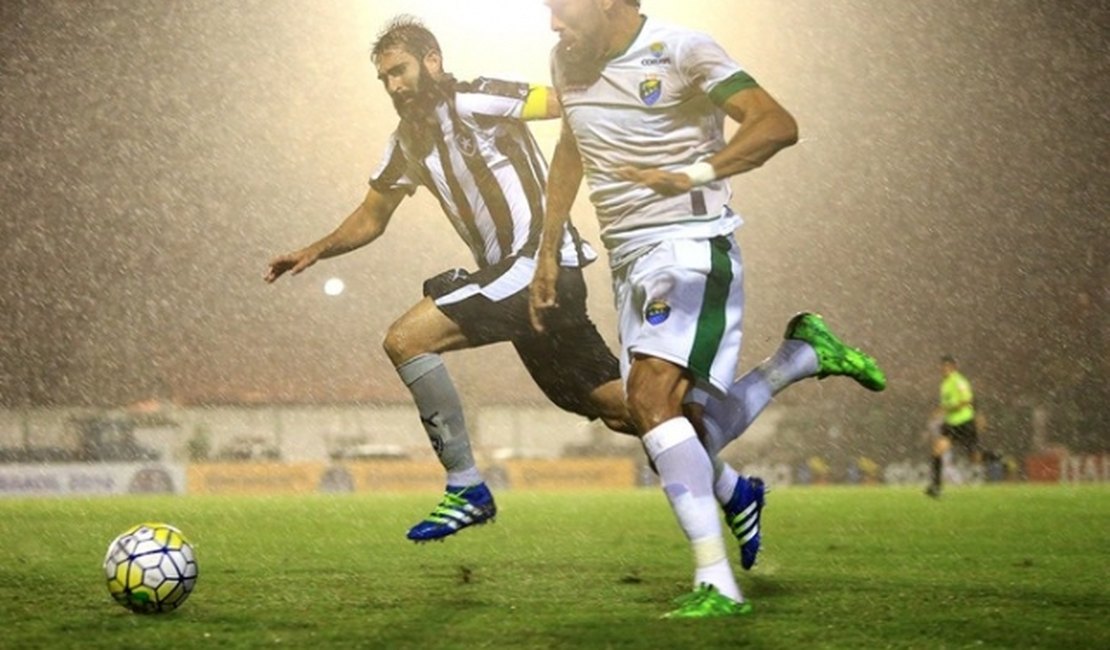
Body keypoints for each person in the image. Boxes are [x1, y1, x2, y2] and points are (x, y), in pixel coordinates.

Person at [266, 15, 771, 547]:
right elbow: (372, 215)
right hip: (518, 283)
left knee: (405, 339)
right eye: (385, 79)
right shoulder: (406, 143)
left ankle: (466, 487)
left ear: (432, 61)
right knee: (629, 410)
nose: (394, 85)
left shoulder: (479, 99)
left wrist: (645, 129)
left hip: (539, 266)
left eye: (400, 70)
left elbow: (570, 105)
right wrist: (315, 250)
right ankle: (737, 486)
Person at [531, 0, 887, 618]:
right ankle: (797, 361)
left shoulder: (682, 50)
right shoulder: (567, 62)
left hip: (690, 248)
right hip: (626, 260)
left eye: (562, 7)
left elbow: (776, 124)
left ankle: (717, 583)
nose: (553, 23)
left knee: (648, 400)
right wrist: (547, 245)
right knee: (674, 427)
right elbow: (571, 145)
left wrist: (695, 172)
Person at [926, 355, 983, 497]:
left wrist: (946, 409)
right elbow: (947, 404)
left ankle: (998, 459)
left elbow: (966, 401)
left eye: (946, 366)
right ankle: (936, 487)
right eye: (942, 366)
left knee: (974, 456)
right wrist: (940, 410)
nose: (943, 369)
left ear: (953, 367)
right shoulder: (945, 383)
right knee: (937, 450)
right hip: (951, 424)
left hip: (964, 423)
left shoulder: (959, 381)